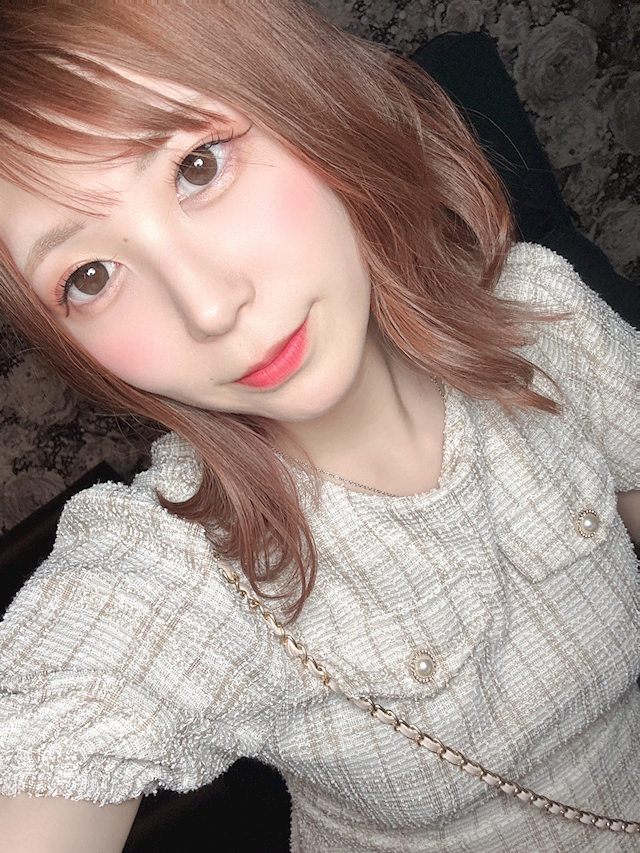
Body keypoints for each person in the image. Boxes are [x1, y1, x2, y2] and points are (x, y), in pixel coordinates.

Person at [0, 2, 637, 851]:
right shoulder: (178, 567)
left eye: (197, 166)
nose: (209, 306)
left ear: (309, 100)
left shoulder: (541, 317)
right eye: (88, 275)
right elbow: (56, 726)